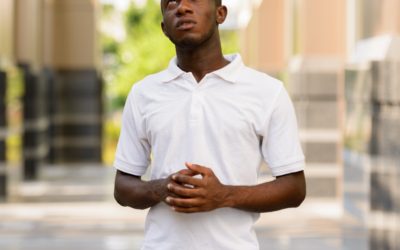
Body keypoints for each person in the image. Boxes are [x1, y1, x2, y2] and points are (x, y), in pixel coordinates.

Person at [113, 0, 306, 249]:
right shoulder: (143, 93)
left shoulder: (267, 92)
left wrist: (223, 195)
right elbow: (122, 187)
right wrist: (164, 188)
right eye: (171, 3)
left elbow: (294, 188)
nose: (182, 7)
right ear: (164, 27)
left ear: (221, 14)